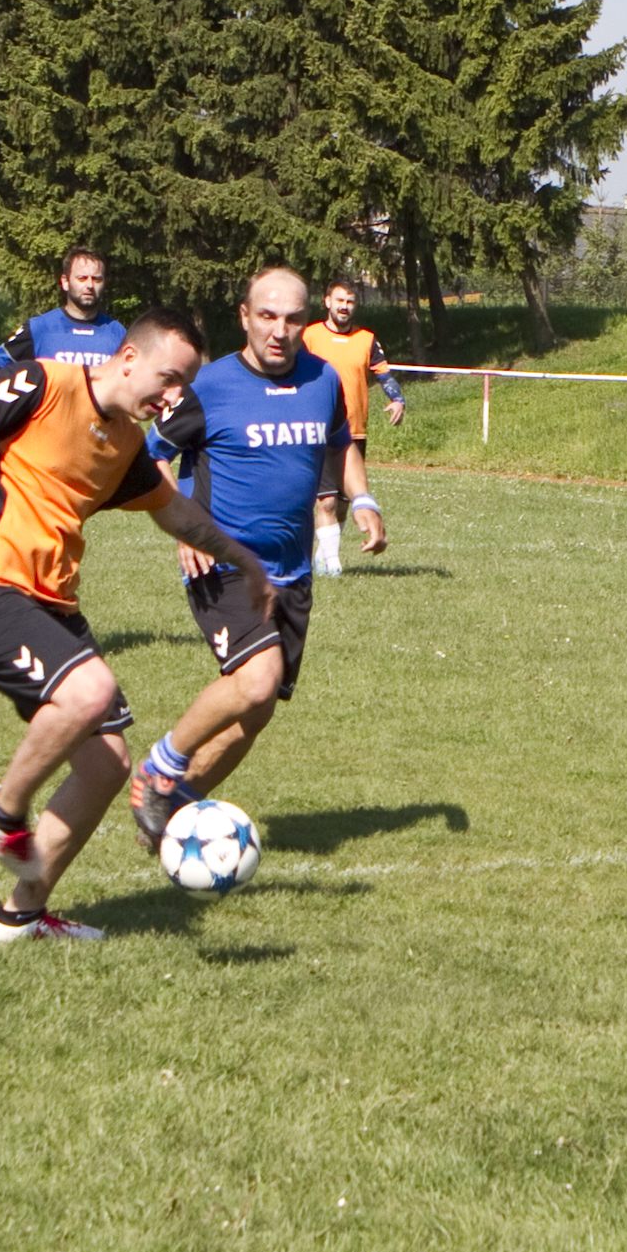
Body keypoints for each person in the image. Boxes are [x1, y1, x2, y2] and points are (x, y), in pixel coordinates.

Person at [0, 308, 272, 942]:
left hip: (51, 603)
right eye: (168, 379)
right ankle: (5, 809)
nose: (172, 398)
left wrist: (245, 561)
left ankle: (21, 916)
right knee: (87, 693)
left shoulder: (125, 445)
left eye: (183, 388)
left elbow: (175, 515)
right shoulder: (43, 384)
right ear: (129, 358)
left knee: (108, 765)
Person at [127, 267, 386, 844]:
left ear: (307, 321)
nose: (280, 330)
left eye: (293, 318)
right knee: (257, 680)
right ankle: (158, 767)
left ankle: (174, 805)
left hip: (291, 573)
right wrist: (183, 529)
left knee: (258, 710)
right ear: (244, 316)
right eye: (267, 316)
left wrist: (362, 498)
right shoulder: (209, 387)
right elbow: (154, 459)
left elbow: (342, 445)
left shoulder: (324, 381)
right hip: (221, 564)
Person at [300, 279, 405, 578]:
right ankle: (332, 563)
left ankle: (323, 554)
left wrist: (397, 400)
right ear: (327, 302)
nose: (345, 307)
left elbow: (383, 374)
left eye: (350, 302)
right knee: (326, 500)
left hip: (354, 431)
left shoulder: (366, 339)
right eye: (340, 301)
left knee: (346, 503)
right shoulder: (310, 337)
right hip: (318, 432)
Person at [0, 246, 124, 370]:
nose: (89, 285)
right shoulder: (39, 328)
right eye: (82, 278)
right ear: (65, 282)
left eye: (96, 279)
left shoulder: (117, 333)